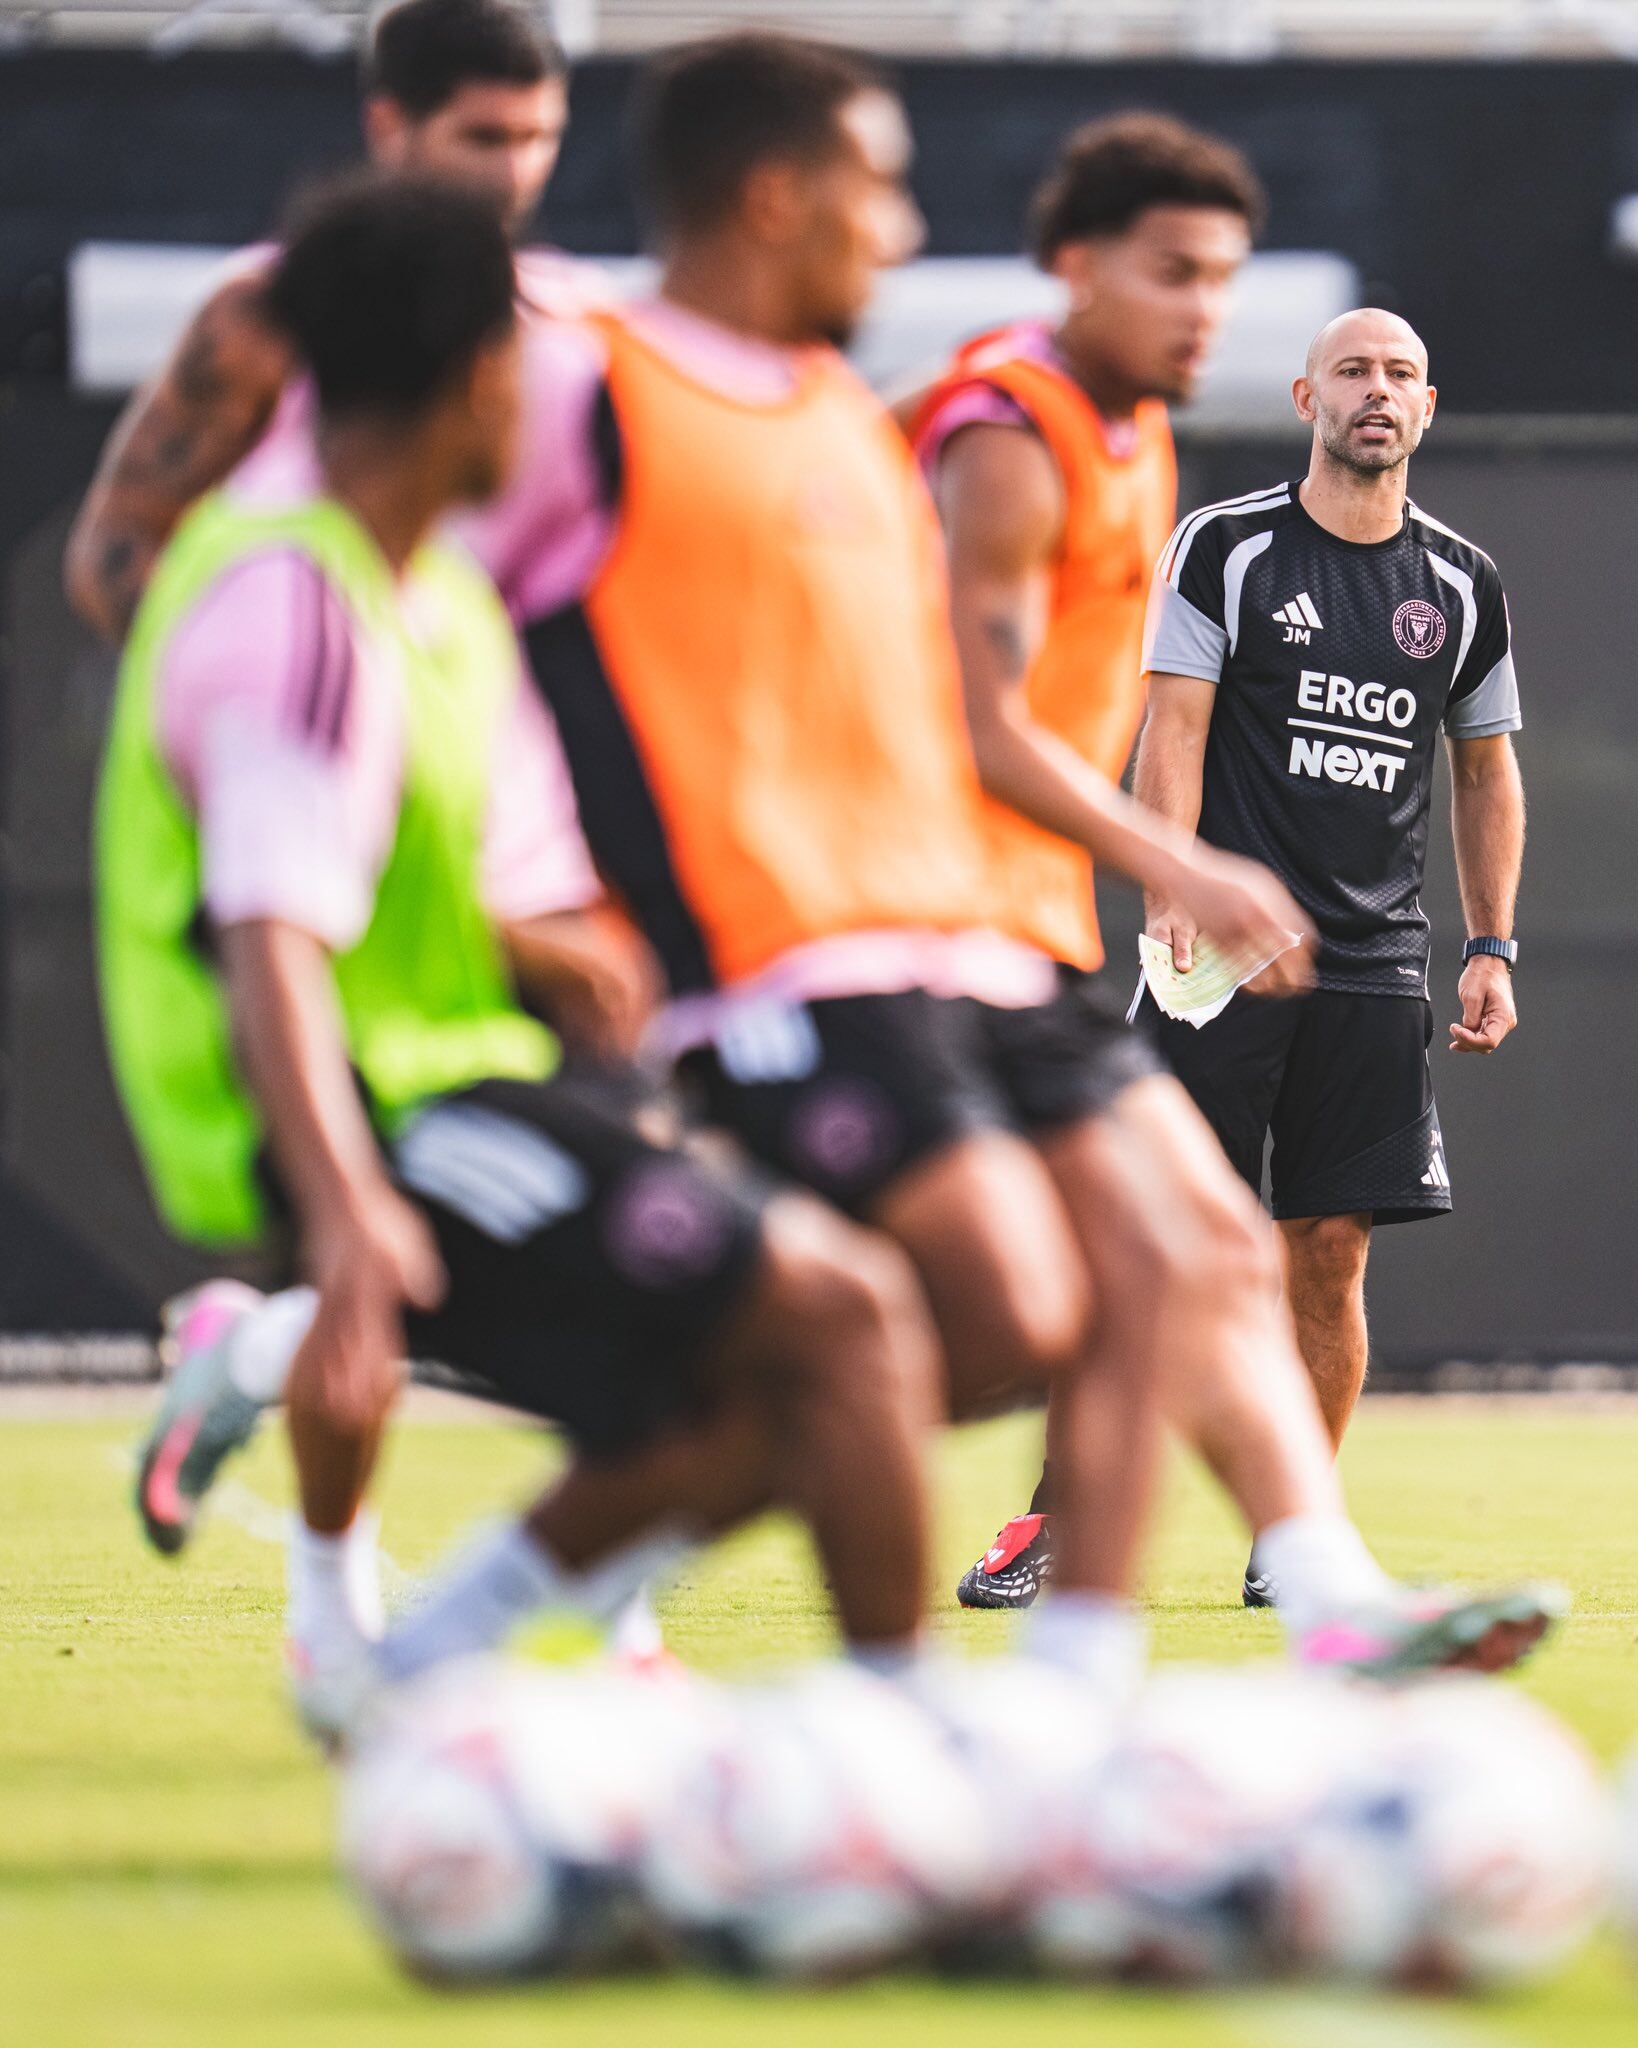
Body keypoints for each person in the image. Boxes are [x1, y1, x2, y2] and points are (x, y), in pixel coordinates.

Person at [460, 33, 1557, 1684]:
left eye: (1224, 278)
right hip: (854, 926)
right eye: (1174, 273)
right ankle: (540, 1622)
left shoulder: (1065, 434)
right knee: (955, 1316)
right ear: (1078, 269)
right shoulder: (1008, 435)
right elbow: (984, 719)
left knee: (1179, 1253)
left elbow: (852, 491)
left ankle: (1250, 1620)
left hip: (995, 925)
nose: (1207, 310)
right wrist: (1179, 871)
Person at [96, 171, 945, 1741]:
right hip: (383, 1109)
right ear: (485, 377)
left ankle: (405, 1684)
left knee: (795, 1378)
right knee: (843, 1323)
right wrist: (347, 1213)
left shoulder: (424, 592)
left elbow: (376, 865)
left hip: (460, 1074)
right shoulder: (296, 594)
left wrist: (542, 949)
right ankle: (918, 1765)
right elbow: (268, 935)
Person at [1135, 305, 1526, 1601]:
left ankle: (1287, 1545)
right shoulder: (1229, 546)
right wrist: (1167, 881)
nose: (1376, 392)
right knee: (1160, 1240)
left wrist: (1491, 947)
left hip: (1371, 974)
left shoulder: (1460, 585)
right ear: (1305, 393)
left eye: (1400, 374)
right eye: (1352, 370)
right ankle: (1067, 1514)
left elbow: (1484, 773)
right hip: (1221, 959)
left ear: (1427, 406)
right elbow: (1172, 727)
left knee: (1327, 1251)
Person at [65, 0, 597, 646]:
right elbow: (117, 548)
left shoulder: (577, 322)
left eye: (539, 138)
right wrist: (252, 683)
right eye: (483, 137)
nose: (515, 172)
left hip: (475, 725)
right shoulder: (270, 310)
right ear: (389, 126)